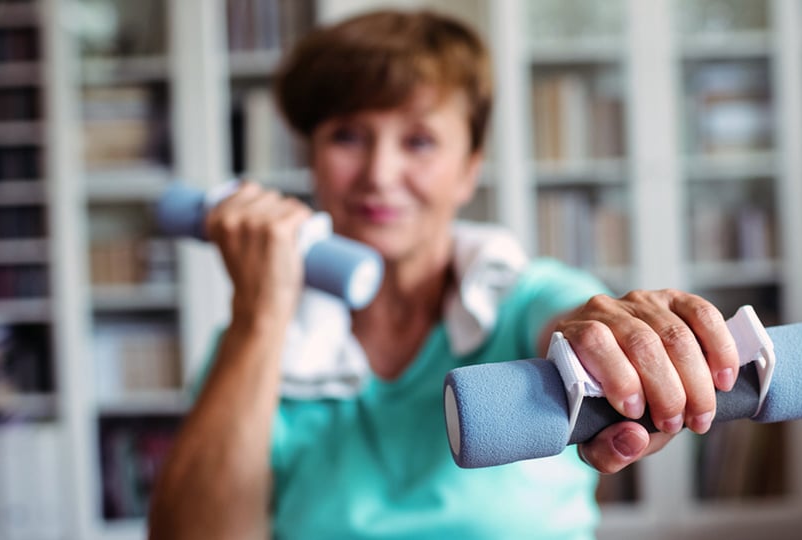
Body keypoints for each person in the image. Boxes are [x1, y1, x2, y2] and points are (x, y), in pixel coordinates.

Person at [148, 9, 738, 540]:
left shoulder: (523, 299)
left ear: (468, 169)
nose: (379, 174)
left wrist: (614, 341)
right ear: (313, 158)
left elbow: (574, 321)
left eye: (420, 141)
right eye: (348, 136)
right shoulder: (256, 346)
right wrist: (259, 317)